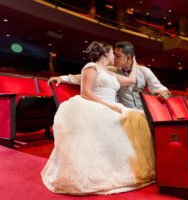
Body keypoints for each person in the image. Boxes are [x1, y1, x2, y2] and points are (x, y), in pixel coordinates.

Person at [41, 41, 156, 195]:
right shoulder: (91, 66)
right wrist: (109, 106)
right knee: (118, 118)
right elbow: (85, 92)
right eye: (112, 54)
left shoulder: (111, 72)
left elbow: (131, 80)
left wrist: (134, 61)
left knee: (139, 117)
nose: (114, 57)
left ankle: (131, 166)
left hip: (111, 106)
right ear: (105, 54)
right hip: (96, 105)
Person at [48, 41, 170, 109]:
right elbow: (85, 78)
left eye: (118, 56)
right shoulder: (111, 69)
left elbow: (158, 87)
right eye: (114, 54)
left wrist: (164, 92)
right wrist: (62, 78)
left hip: (142, 111)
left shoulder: (144, 71)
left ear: (128, 57)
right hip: (122, 110)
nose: (114, 58)